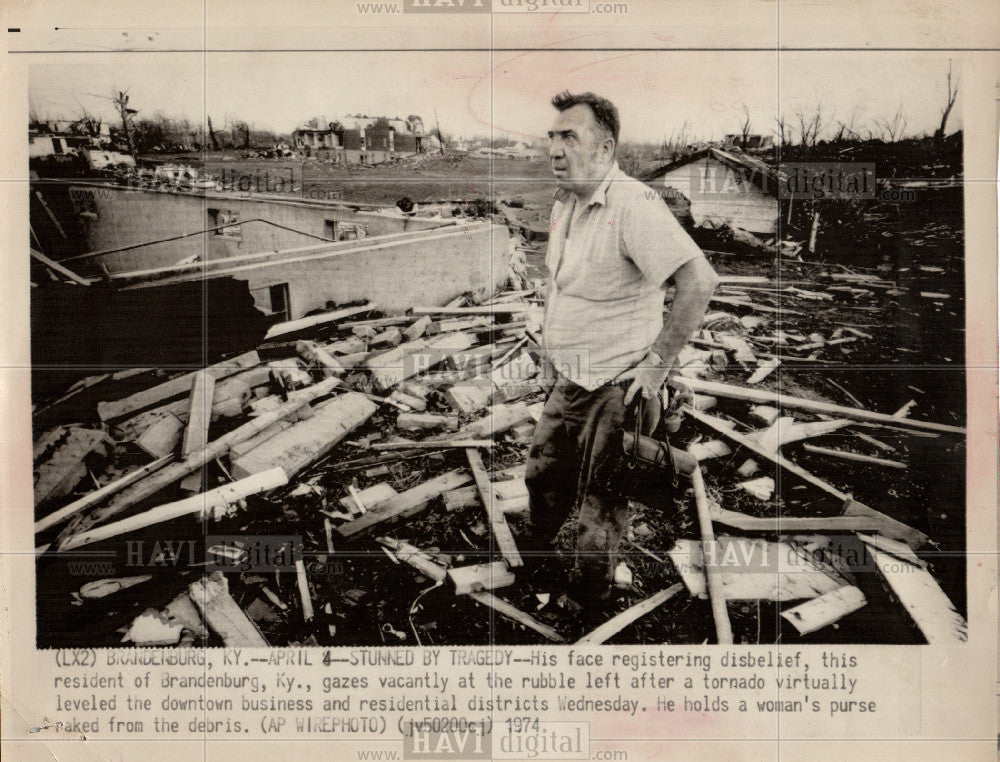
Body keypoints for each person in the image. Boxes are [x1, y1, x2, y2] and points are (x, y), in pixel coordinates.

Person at [524, 91, 719, 608]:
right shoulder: (567, 204)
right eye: (552, 137)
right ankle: (537, 564)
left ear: (606, 147)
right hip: (570, 378)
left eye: (570, 136)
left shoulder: (633, 206)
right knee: (541, 475)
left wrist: (656, 370)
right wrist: (551, 351)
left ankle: (587, 596)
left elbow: (698, 282)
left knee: (600, 504)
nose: (555, 149)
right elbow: (561, 286)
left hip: (615, 390)